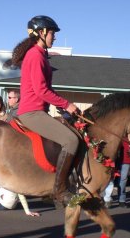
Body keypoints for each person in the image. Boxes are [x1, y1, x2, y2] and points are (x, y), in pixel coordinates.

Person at [11, 15, 79, 207]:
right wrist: (67, 104)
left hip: (38, 110)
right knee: (71, 140)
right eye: (52, 33)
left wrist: (62, 106)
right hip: (32, 112)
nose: (54, 37)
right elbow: (41, 90)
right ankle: (59, 190)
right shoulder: (35, 55)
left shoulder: (39, 55)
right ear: (41, 33)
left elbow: (45, 90)